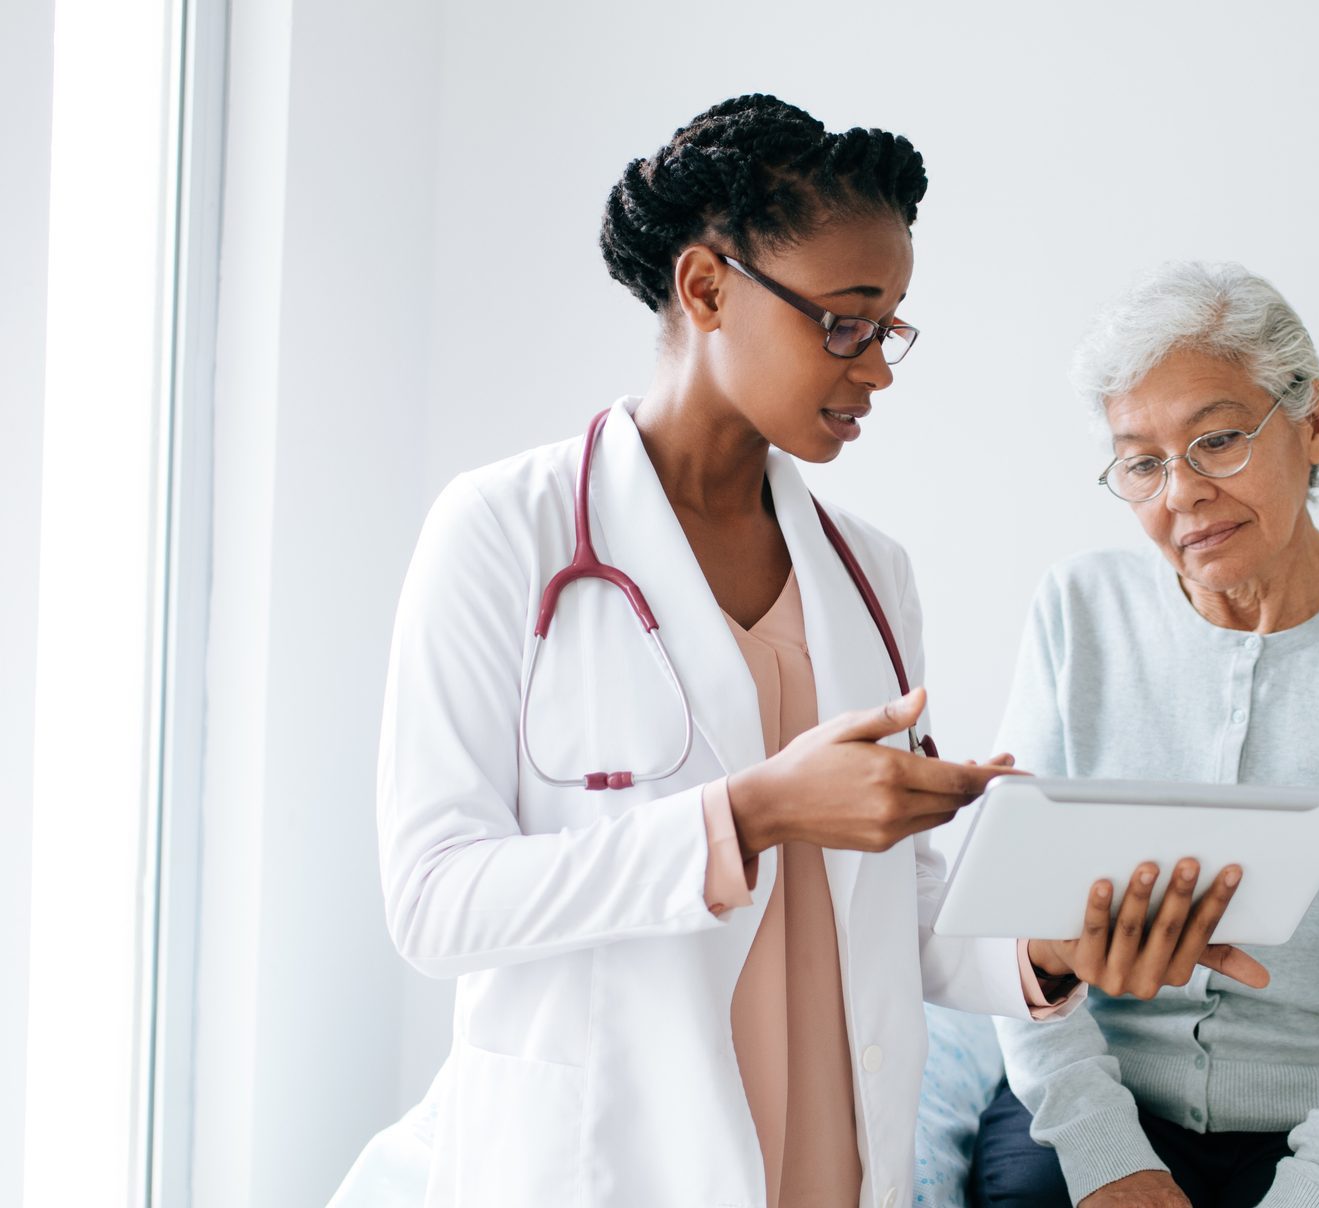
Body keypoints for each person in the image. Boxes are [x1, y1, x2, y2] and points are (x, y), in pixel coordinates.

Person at [339, 98, 1264, 1208]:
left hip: (828, 1156)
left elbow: (886, 907)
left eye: (890, 328)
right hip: (609, 1158)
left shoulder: (871, 572)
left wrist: (1047, 948)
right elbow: (436, 901)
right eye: (843, 321)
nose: (876, 369)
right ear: (706, 287)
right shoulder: (504, 530)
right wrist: (751, 813)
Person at [972, 262, 1319, 1208]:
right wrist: (1106, 1154)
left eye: (1216, 440)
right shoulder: (1077, 608)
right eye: (1141, 461)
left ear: (1314, 425)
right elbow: (1012, 915)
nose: (1180, 493)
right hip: (1096, 1102)